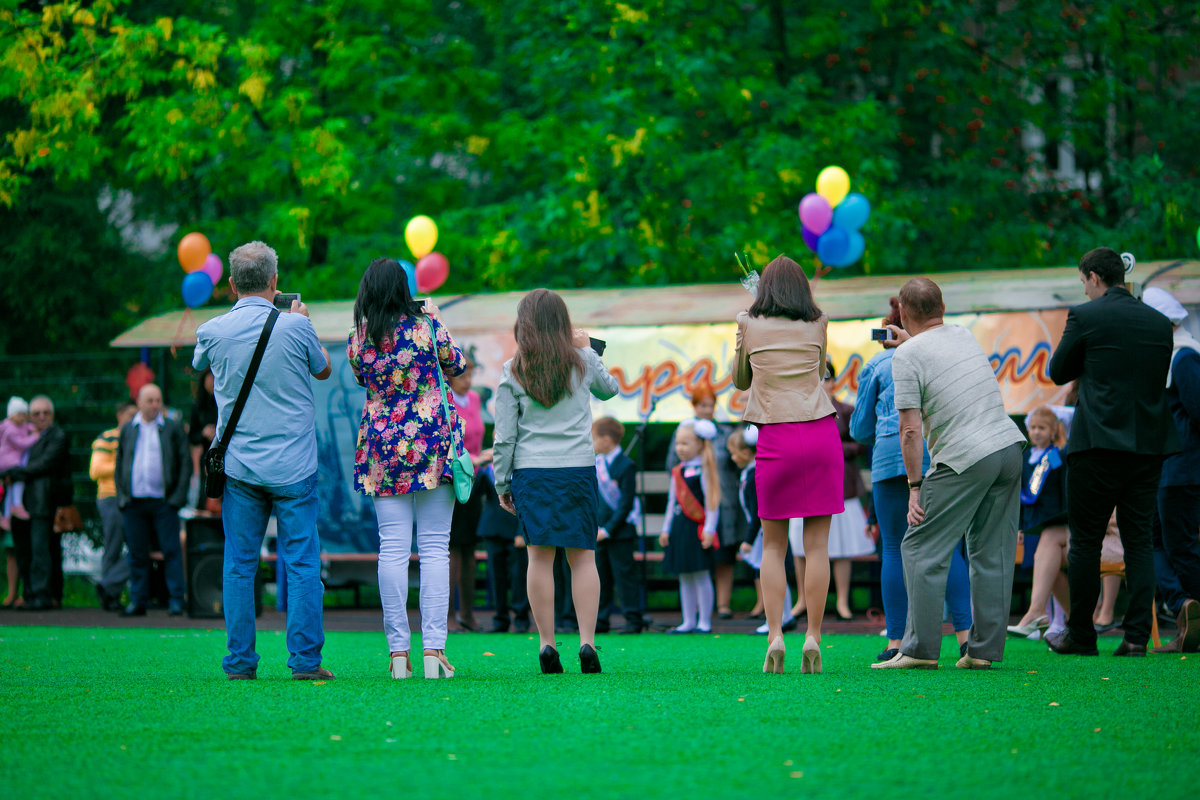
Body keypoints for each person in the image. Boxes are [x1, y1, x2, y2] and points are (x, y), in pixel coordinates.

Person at [193, 240, 334, 680]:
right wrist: (303, 322)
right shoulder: (295, 327)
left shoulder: (212, 330)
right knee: (302, 563)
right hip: (294, 465)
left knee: (239, 565)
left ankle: (239, 663)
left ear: (232, 284)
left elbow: (202, 364)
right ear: (275, 282)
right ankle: (306, 664)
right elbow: (324, 369)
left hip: (240, 467)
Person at [872, 277, 1025, 671]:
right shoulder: (962, 335)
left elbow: (909, 430)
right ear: (942, 306)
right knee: (991, 553)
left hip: (965, 456)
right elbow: (934, 353)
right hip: (1008, 448)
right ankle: (982, 651)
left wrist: (914, 486)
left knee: (920, 546)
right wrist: (911, 343)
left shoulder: (904, 357)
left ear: (903, 313)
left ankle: (919, 650)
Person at [1045, 248, 1178, 658]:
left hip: (1098, 445)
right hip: (1147, 446)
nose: (1083, 289)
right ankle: (1136, 637)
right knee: (1139, 540)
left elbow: (1058, 371)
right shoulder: (1159, 323)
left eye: (1083, 281)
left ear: (1093, 277)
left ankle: (1082, 636)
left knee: (1085, 541)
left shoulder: (1086, 316)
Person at [347, 257, 466, 680]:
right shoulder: (427, 320)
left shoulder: (359, 335)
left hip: (382, 449)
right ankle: (434, 651)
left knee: (391, 550)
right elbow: (458, 364)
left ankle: (399, 655)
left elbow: (363, 377)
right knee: (435, 547)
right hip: (432, 440)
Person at [493, 288, 618, 674]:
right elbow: (610, 390)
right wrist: (588, 347)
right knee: (582, 558)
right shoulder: (581, 359)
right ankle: (586, 642)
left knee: (539, 558)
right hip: (577, 469)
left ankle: (547, 645)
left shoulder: (513, 369)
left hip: (532, 472)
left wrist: (501, 484)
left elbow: (505, 437)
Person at [733, 255, 844, 675]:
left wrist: (744, 330)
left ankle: (776, 634)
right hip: (819, 433)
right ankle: (813, 635)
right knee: (816, 546)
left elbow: (740, 380)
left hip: (775, 436)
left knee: (774, 546)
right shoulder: (819, 322)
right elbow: (819, 372)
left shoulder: (749, 322)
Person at [850, 298, 973, 662]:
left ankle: (895, 642)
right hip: (937, 453)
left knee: (891, 547)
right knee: (947, 546)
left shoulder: (878, 364)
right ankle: (967, 638)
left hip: (891, 456)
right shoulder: (945, 354)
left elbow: (858, 428)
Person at [789, 360, 876, 622]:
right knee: (799, 546)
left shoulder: (847, 410)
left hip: (840, 487)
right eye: (816, 377)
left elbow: (860, 444)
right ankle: (803, 600)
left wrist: (831, 448)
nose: (822, 383)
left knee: (841, 546)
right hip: (805, 487)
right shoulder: (798, 410)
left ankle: (842, 602)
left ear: (833, 381)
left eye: (826, 378)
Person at [1141, 287, 1200, 653]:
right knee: (1160, 542)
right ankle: (1184, 610)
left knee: (1179, 546)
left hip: (1183, 469)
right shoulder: (1174, 358)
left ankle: (1188, 609)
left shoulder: (1184, 359)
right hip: (1171, 469)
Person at [114, 383, 192, 617]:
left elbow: (185, 463)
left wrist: (177, 498)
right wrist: (122, 498)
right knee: (137, 553)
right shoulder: (128, 429)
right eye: (150, 400)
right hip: (134, 502)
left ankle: (176, 600)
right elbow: (119, 465)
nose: (155, 405)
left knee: (171, 551)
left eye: (158, 400)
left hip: (164, 502)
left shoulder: (173, 428)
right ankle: (138, 601)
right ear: (139, 402)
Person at [666, 386, 743, 618]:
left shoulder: (725, 432)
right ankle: (694, 615)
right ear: (694, 406)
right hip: (693, 505)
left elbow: (738, 462)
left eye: (710, 405)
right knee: (697, 560)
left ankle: (723, 604)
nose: (707, 409)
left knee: (724, 555)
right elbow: (672, 463)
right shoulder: (683, 431)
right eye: (702, 405)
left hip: (725, 502)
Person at [1, 395, 71, 611]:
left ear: (52, 414)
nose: (41, 417)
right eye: (36, 413)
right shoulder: (22, 433)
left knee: (41, 550)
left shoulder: (57, 437)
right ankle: (29, 593)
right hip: (17, 503)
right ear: (29, 416)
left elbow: (44, 464)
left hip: (41, 502)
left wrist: (14, 472)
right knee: (23, 550)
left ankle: (43, 594)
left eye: (46, 413)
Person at [1007, 406, 1070, 637]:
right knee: (1040, 567)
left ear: (1053, 430)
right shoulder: (1025, 456)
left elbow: (1061, 487)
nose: (1036, 432)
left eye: (1041, 428)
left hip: (1052, 519)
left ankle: (1058, 621)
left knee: (1050, 568)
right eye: (1032, 428)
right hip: (1032, 520)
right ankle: (1047, 619)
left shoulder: (1056, 455)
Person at [731, 425, 797, 635]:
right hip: (761, 532)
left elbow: (757, 511)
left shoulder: (753, 476)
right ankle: (783, 616)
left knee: (771, 575)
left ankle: (777, 619)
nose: (732, 457)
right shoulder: (747, 474)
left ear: (745, 453)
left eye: (734, 453)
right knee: (773, 574)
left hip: (763, 534)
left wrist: (748, 540)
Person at [658, 418, 720, 634]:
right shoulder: (678, 470)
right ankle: (688, 621)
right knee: (684, 574)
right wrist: (665, 529)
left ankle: (704, 621)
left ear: (700, 444)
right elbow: (672, 502)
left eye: (685, 443)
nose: (680, 448)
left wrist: (710, 529)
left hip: (697, 528)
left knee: (701, 573)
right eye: (678, 443)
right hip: (680, 527)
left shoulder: (704, 469)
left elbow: (712, 503)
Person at [446, 355, 490, 633]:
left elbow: (476, 437)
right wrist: (472, 459)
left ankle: (468, 613)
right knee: (451, 550)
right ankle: (447, 614)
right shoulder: (442, 398)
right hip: (451, 478)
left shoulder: (473, 399)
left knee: (470, 548)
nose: (468, 381)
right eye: (463, 375)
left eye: (471, 375)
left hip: (473, 480)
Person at [592, 416, 646, 634]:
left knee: (625, 578)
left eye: (594, 438)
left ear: (606, 439)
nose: (592, 442)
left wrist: (609, 529)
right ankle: (601, 620)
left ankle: (633, 620)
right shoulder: (597, 463)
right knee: (600, 578)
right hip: (599, 531)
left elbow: (625, 504)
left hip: (620, 531)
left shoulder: (626, 465)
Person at [90, 400, 137, 611]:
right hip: (110, 497)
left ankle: (107, 588)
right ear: (119, 415)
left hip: (133, 498)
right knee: (113, 547)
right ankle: (110, 595)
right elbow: (96, 471)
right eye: (130, 414)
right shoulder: (107, 437)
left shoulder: (139, 436)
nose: (133, 419)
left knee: (138, 547)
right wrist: (126, 462)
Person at [478, 465, 530, 633]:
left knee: (519, 576)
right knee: (496, 576)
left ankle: (521, 619)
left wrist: (522, 531)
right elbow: (473, 493)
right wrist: (478, 466)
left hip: (517, 528)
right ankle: (500, 619)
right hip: (493, 528)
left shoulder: (521, 467)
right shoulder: (487, 471)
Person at [1, 397, 38, 531]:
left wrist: (33, 427)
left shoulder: (20, 424)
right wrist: (35, 436)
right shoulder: (9, 430)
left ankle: (6, 517)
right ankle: (16, 505)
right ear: (12, 415)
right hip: (9, 462)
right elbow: (21, 444)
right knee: (18, 481)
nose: (23, 418)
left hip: (13, 461)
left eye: (24, 415)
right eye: (20, 415)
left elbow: (28, 426)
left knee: (9, 489)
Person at [188, 368, 219, 510]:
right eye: (210, 379)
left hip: (224, 454)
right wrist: (204, 434)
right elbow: (192, 437)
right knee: (205, 492)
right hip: (206, 456)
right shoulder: (197, 405)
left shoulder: (224, 403)